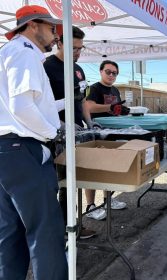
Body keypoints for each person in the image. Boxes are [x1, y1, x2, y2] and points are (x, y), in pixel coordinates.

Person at [0, 5, 67, 279]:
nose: (55, 35)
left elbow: (24, 105)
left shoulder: (7, 53)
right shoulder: (25, 53)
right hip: (23, 150)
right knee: (45, 231)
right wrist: (54, 132)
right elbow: (22, 107)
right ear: (33, 26)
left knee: (10, 232)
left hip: (7, 150)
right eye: (51, 28)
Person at [44, 25, 99, 236]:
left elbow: (82, 99)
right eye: (74, 48)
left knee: (74, 182)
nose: (77, 52)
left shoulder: (78, 69)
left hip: (77, 133)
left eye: (80, 48)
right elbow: (42, 105)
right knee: (61, 185)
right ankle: (64, 231)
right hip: (55, 136)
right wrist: (62, 125)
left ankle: (73, 226)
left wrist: (89, 122)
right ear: (59, 42)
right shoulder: (48, 67)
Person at [85, 60, 129, 219]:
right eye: (108, 72)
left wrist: (122, 111)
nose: (111, 75)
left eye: (114, 73)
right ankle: (90, 206)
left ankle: (108, 199)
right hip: (96, 134)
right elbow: (88, 106)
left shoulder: (115, 90)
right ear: (101, 71)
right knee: (93, 169)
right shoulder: (94, 88)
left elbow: (115, 109)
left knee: (110, 168)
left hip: (113, 133)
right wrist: (109, 107)